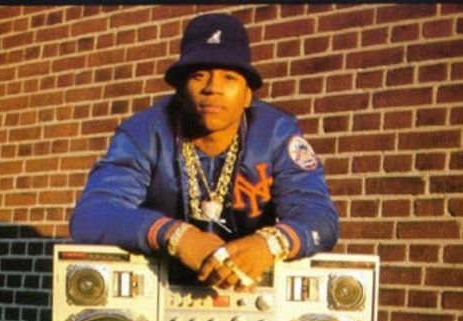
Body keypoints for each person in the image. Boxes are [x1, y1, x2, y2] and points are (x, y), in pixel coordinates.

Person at [70, 13, 339, 290]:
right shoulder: (143, 133)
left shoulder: (276, 133)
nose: (213, 89)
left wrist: (271, 243)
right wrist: (174, 234)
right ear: (180, 90)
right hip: (158, 288)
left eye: (229, 77)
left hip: (248, 288)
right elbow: (91, 216)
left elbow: (319, 217)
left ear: (248, 94)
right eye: (199, 76)